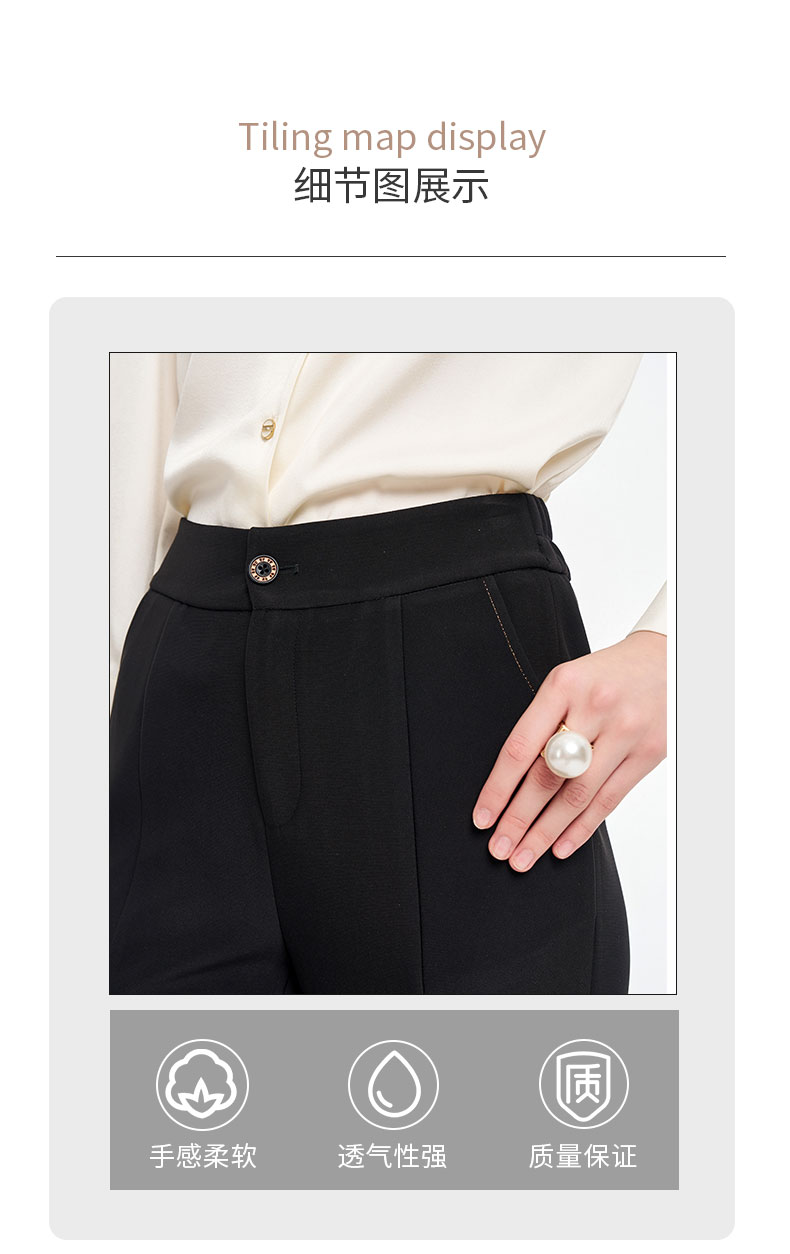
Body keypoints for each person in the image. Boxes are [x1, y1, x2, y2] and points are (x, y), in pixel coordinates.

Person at [109, 351, 666, 996]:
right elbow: (133, 405)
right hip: (179, 659)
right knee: (161, 1056)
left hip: (448, 665)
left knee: (495, 1061)